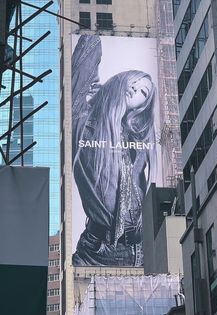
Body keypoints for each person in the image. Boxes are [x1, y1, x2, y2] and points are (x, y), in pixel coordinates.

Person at [72, 35, 157, 266]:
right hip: (96, 253)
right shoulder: (83, 124)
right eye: (133, 82)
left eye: (143, 92)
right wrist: (90, 24)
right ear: (121, 80)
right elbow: (83, 62)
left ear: (143, 105)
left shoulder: (138, 139)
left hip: (142, 252)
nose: (135, 89)